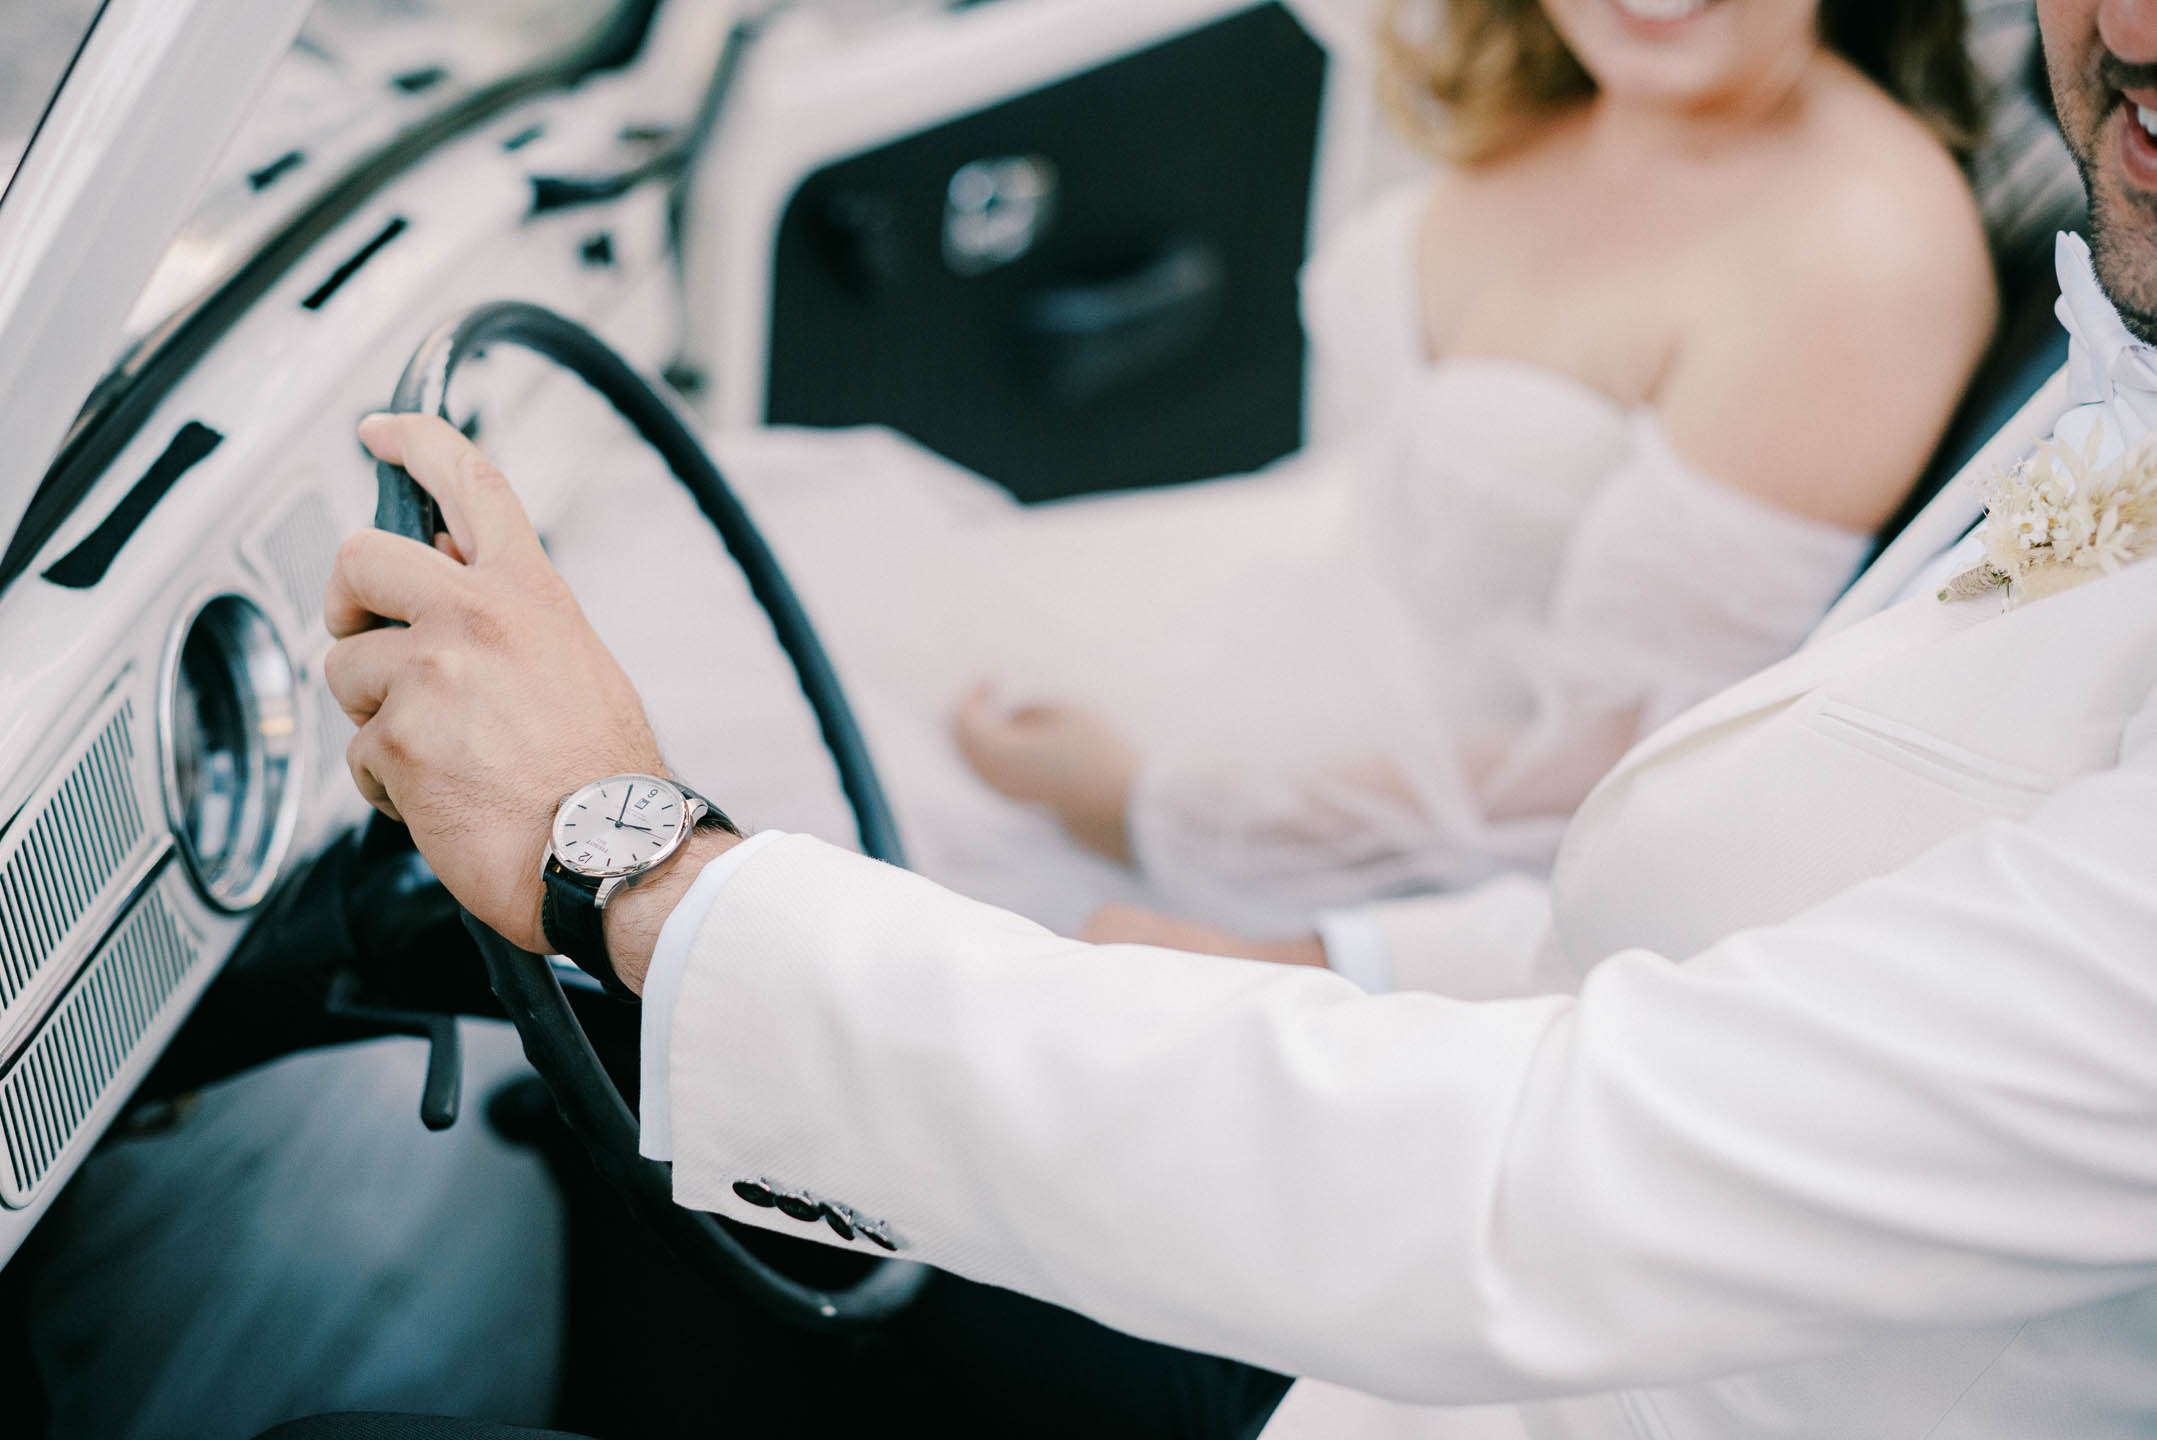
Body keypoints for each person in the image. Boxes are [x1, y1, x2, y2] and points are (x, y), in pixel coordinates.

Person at [320, 0, 2157, 1433]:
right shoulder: (2110, 379)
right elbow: (1749, 877)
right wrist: (1332, 952)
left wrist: (640, 867)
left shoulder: (1869, 242)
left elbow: (1528, 1186)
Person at [697, 0, 1996, 943]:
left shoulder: (1860, 252)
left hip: (1386, 831)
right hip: (1280, 589)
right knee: (740, 610)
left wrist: (1147, 802)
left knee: (771, 797)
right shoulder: (1544, 71)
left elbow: (1637, 768)